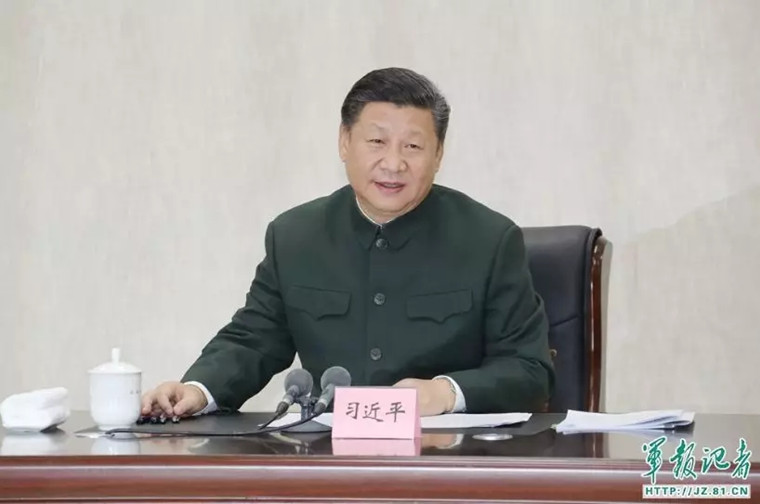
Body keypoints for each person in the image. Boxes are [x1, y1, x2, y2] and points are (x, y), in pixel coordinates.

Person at [141, 67, 555, 419]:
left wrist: (445, 393)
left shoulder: (489, 240)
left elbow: (530, 370)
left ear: (438, 155)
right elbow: (254, 340)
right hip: (329, 461)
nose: (393, 163)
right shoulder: (295, 236)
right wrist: (198, 389)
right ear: (344, 142)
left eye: (413, 146)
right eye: (377, 142)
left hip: (447, 462)